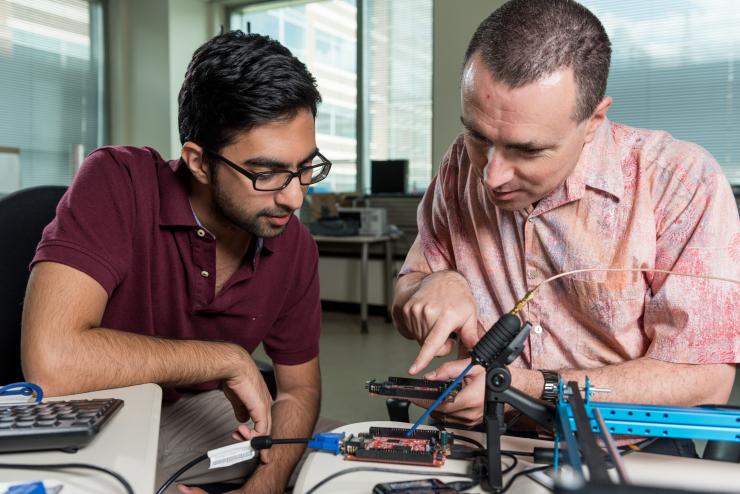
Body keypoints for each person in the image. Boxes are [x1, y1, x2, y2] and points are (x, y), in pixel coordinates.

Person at [393, 0, 739, 455]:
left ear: (593, 120)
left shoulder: (680, 183)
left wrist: (532, 387)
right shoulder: (460, 165)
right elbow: (406, 297)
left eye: (527, 150)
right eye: (478, 136)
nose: (491, 175)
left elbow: (704, 381)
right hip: (489, 439)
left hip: (624, 449)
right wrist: (432, 285)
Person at [21, 31, 329, 492]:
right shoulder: (117, 181)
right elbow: (52, 362)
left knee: (337, 463)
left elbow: (298, 390)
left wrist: (260, 489)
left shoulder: (294, 244)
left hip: (192, 417)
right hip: (88, 413)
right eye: (266, 174)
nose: (294, 197)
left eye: (306, 167)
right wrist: (224, 360)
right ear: (199, 163)